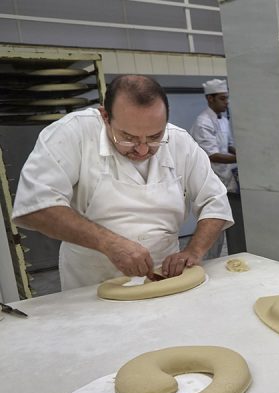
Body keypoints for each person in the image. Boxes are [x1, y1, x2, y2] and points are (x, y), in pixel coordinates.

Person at [12, 75, 233, 290]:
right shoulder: (73, 133)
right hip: (91, 282)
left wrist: (193, 251)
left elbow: (214, 200)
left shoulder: (179, 141)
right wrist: (109, 244)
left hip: (165, 277)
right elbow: (36, 205)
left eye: (155, 137)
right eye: (128, 137)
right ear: (105, 117)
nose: (143, 149)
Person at [190, 79, 246, 258]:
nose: (226, 102)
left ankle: (221, 259)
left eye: (227, 98)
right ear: (210, 99)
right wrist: (244, 160)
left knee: (225, 223)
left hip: (225, 179)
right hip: (209, 181)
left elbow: (228, 145)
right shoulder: (203, 122)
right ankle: (206, 263)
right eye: (223, 99)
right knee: (212, 227)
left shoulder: (223, 120)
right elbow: (212, 155)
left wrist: (246, 154)